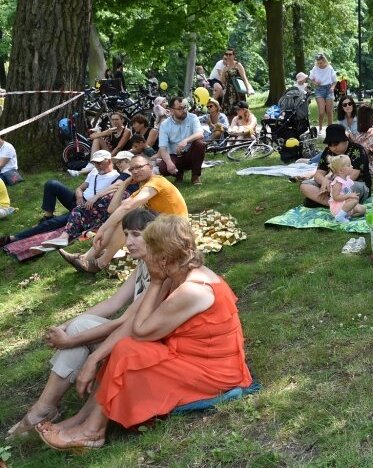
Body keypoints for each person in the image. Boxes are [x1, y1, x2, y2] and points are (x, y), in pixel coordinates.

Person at [36, 215, 253, 451]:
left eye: (151, 248)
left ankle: (92, 432)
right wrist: (94, 359)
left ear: (165, 254)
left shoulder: (192, 289)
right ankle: (80, 421)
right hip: (190, 357)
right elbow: (130, 325)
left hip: (214, 372)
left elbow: (139, 332)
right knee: (121, 348)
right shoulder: (179, 272)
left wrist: (156, 282)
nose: (146, 254)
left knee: (128, 350)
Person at [6, 209, 157, 438]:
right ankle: (45, 406)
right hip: (136, 336)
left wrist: (68, 339)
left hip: (146, 344)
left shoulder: (160, 270)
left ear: (155, 234)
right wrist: (66, 325)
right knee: (79, 324)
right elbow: (113, 303)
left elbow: (124, 321)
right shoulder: (144, 263)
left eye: (136, 234)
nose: (128, 242)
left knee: (79, 331)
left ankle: (44, 408)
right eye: (126, 234)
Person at [59, 154, 187, 274]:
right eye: (132, 169)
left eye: (139, 167)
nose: (135, 171)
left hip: (176, 230)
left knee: (127, 218)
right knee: (122, 216)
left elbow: (127, 206)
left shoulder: (156, 181)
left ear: (150, 167)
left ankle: (100, 263)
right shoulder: (143, 187)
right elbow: (113, 209)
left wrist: (102, 229)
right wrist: (124, 184)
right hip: (165, 226)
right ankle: (86, 257)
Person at [0, 150, 118, 247]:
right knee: (52, 184)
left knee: (54, 223)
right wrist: (79, 196)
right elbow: (79, 188)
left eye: (99, 163)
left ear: (109, 161)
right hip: (78, 201)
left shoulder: (116, 177)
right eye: (95, 163)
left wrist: (89, 202)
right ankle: (48, 216)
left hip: (88, 208)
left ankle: (13, 238)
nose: (97, 165)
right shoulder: (94, 171)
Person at [31, 153, 136, 251]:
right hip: (113, 203)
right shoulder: (100, 173)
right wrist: (81, 195)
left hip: (112, 201)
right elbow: (80, 187)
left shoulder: (127, 172)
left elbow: (117, 185)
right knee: (85, 218)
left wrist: (96, 197)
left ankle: (63, 238)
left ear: (128, 161)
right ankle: (62, 240)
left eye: (120, 162)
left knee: (79, 211)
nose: (118, 165)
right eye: (117, 162)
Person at [299, 124, 371, 208]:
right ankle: (333, 204)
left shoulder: (357, 150)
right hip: (334, 184)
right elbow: (319, 173)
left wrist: (333, 186)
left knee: (345, 188)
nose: (333, 148)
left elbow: (353, 176)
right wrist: (324, 181)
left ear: (345, 140)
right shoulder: (328, 151)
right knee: (304, 185)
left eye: (336, 144)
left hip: (356, 184)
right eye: (330, 144)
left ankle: (322, 200)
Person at [157, 96, 206, 185]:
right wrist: (169, 163)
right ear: (172, 111)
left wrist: (186, 140)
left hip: (190, 154)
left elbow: (200, 133)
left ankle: (195, 176)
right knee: (162, 168)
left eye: (185, 107)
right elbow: (162, 148)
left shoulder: (193, 117)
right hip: (175, 155)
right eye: (180, 108)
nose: (184, 110)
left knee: (200, 144)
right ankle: (178, 174)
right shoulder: (164, 125)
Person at [328, 155, 367, 223]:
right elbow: (336, 197)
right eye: (349, 165)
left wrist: (354, 196)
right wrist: (349, 196)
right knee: (354, 202)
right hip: (338, 208)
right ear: (341, 171)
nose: (352, 166)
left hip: (346, 205)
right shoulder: (338, 182)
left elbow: (349, 192)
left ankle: (347, 216)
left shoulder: (347, 180)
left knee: (363, 209)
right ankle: (340, 216)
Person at [309, 53, 338, 133]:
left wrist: (332, 87)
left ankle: (330, 130)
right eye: (318, 63)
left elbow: (335, 81)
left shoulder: (329, 68)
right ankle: (320, 129)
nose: (319, 65)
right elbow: (310, 79)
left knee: (329, 111)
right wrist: (315, 83)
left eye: (321, 63)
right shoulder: (315, 68)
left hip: (329, 89)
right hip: (319, 90)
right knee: (321, 112)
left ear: (325, 61)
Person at [220, 48, 251, 114]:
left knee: (240, 112)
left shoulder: (238, 65)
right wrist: (223, 71)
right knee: (228, 113)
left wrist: (248, 90)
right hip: (228, 92)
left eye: (230, 54)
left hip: (238, 91)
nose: (228, 56)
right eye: (226, 54)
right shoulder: (225, 67)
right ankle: (231, 124)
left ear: (234, 55)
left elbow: (244, 78)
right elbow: (223, 81)